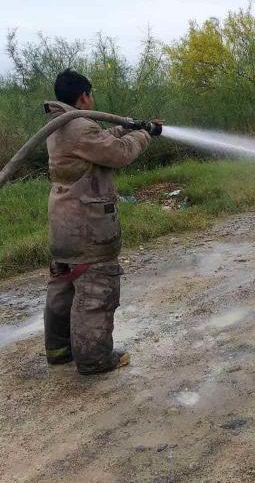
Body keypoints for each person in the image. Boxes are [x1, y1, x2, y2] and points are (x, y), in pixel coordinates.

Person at [44, 69, 162, 375]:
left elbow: (99, 143)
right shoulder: (79, 127)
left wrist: (126, 128)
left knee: (64, 284)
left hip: (64, 222)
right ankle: (95, 358)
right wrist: (146, 133)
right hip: (87, 226)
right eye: (91, 93)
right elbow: (119, 154)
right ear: (84, 96)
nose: (92, 97)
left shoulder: (61, 126)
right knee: (96, 288)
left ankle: (59, 351)